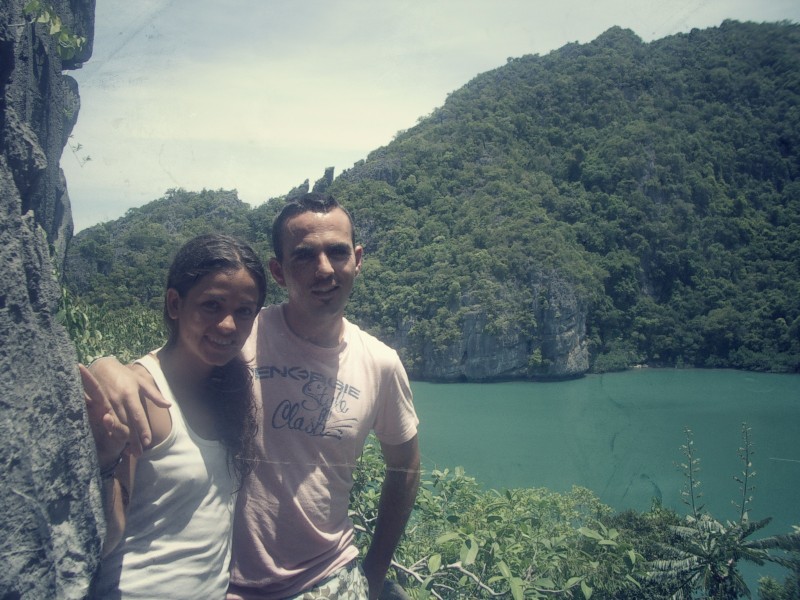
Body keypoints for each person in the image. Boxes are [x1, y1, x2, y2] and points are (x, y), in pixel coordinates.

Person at [88, 193, 421, 600]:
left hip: (327, 577)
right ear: (278, 271)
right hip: (223, 585)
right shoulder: (236, 331)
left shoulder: (380, 364)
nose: (324, 269)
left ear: (357, 259)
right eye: (304, 255)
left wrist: (375, 570)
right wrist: (106, 366)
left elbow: (405, 465)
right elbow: (165, 367)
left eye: (337, 252)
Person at [83, 233, 268, 599]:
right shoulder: (141, 393)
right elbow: (107, 537)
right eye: (212, 305)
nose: (228, 325)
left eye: (244, 311)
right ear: (174, 304)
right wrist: (105, 460)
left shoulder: (230, 388)